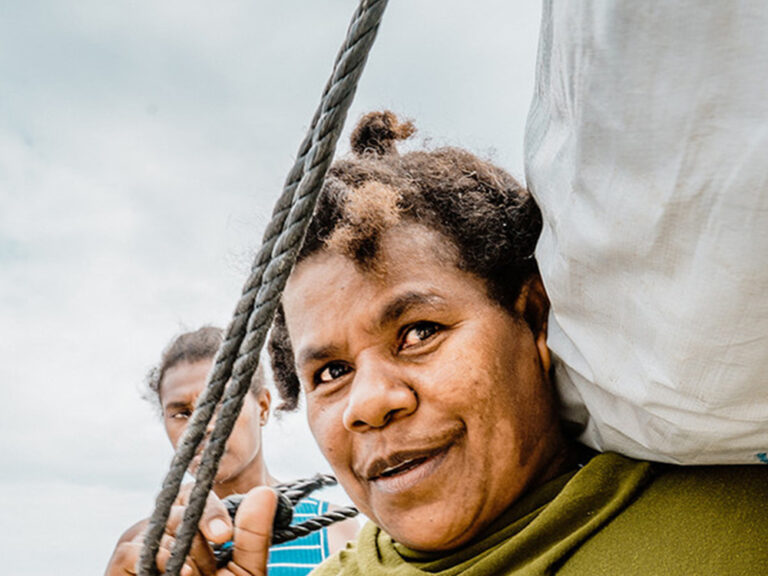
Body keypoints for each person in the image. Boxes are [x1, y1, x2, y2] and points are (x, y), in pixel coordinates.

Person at [145, 111, 768, 575]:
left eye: (419, 333)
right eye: (330, 371)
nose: (369, 402)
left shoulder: (736, 532)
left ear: (535, 317)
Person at [104, 326, 358, 576]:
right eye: (181, 413)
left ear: (263, 406)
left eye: (223, 404)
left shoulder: (333, 530)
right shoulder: (148, 546)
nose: (203, 425)